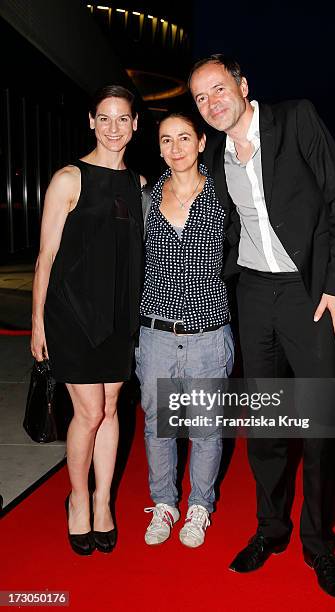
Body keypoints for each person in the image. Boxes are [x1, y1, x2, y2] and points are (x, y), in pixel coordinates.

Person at [189, 54, 335, 598]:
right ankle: (271, 529)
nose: (212, 103)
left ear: (242, 85)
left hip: (309, 292)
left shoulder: (297, 120)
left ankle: (318, 542)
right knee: (264, 423)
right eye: (201, 98)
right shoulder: (214, 154)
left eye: (219, 89)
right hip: (255, 293)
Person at [31, 85, 145, 555]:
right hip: (71, 315)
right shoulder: (67, 179)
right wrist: (38, 322)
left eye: (123, 118)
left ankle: (104, 502)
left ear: (136, 124)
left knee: (112, 409)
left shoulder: (139, 186)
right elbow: (46, 256)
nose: (114, 127)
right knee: (89, 412)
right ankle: (77, 499)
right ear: (92, 122)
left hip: (119, 316)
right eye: (105, 118)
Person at [135, 111, 234, 549]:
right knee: (159, 426)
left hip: (208, 334)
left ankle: (199, 506)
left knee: (206, 427)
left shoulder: (222, 195)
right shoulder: (145, 197)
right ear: (158, 147)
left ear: (200, 142)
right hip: (156, 333)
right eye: (166, 140)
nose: (175, 148)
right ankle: (164, 504)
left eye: (184, 138)